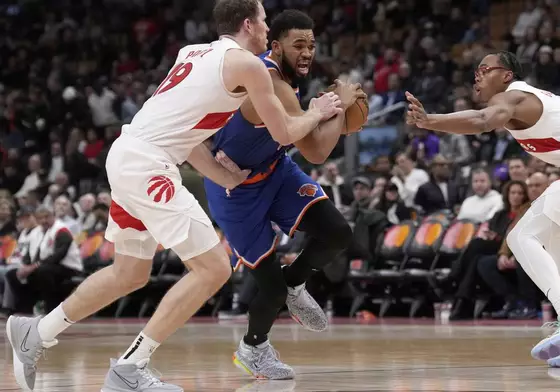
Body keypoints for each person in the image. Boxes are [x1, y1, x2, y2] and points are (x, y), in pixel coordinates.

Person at [5, 1, 343, 391]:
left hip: (128, 153)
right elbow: (285, 133)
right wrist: (317, 111)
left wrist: (219, 174)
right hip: (149, 164)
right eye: (265, 21)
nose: (268, 30)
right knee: (215, 268)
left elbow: (185, 130)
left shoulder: (191, 52)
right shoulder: (249, 66)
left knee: (128, 273)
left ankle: (37, 332)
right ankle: (131, 368)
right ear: (248, 23)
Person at [405, 51, 560, 368]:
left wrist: (430, 121)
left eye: (485, 69)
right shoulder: (522, 104)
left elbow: (482, 121)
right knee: (554, 240)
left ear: (507, 75)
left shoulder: (514, 97)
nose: (478, 76)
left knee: (520, 237)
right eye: (476, 71)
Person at [204, 10, 362, 379]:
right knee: (269, 290)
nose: (307, 52)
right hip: (236, 189)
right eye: (298, 45)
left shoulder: (284, 78)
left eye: (311, 44)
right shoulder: (269, 80)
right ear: (275, 46)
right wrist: (338, 105)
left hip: (274, 170)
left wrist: (331, 110)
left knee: (338, 232)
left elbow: (308, 140)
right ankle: (253, 348)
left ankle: (296, 283)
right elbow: (317, 151)